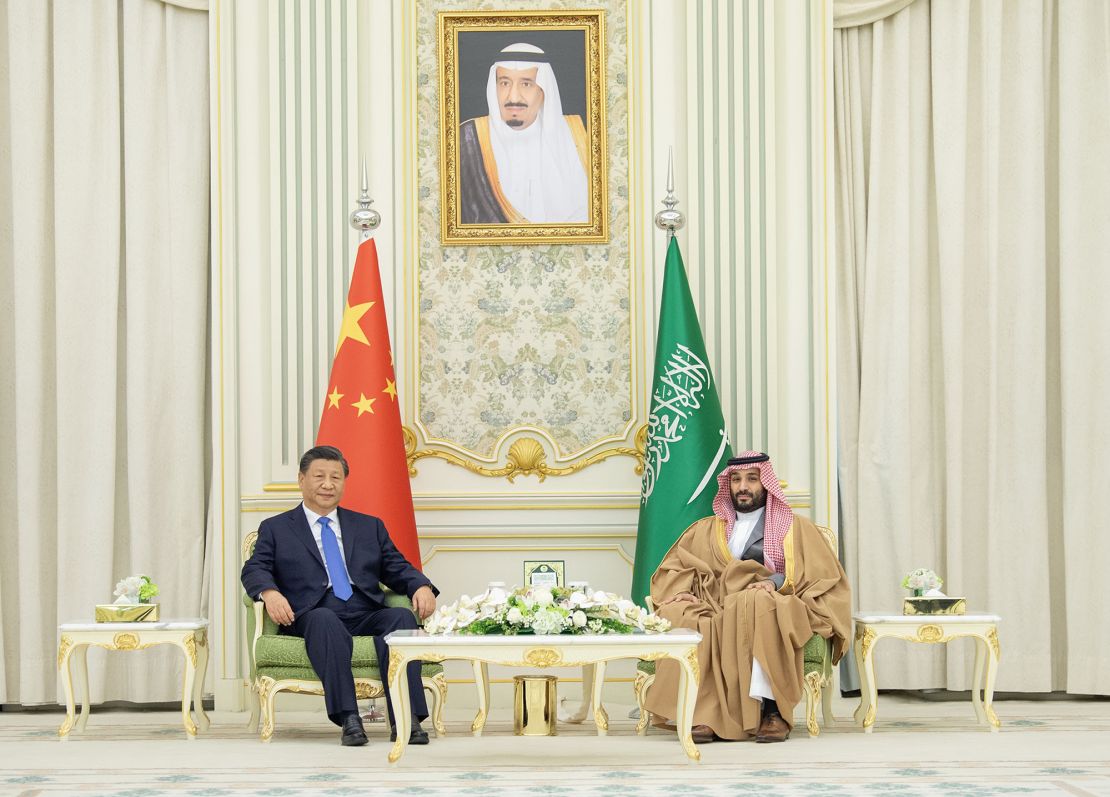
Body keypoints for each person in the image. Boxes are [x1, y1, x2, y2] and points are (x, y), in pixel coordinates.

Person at [644, 451, 851, 744]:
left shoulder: (795, 527)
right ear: (728, 485)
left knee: (753, 602)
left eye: (752, 479)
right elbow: (677, 567)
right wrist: (680, 593)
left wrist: (774, 583)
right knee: (679, 612)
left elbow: (821, 576)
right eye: (737, 480)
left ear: (766, 484)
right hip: (717, 603)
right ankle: (704, 714)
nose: (743, 486)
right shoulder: (706, 529)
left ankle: (772, 711)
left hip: (778, 602)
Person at [241, 445, 437, 747]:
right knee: (324, 620)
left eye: (336, 477)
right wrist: (269, 592)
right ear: (301, 480)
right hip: (312, 612)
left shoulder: (369, 526)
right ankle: (349, 718)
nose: (327, 484)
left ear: (344, 482)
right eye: (319, 476)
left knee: (400, 617)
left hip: (364, 609)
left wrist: (420, 586)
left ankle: (406, 718)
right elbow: (255, 568)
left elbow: (396, 567)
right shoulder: (276, 528)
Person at [458, 42, 589, 224]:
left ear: (543, 91)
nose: (513, 97)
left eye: (526, 84)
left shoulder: (580, 138)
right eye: (504, 83)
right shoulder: (465, 141)